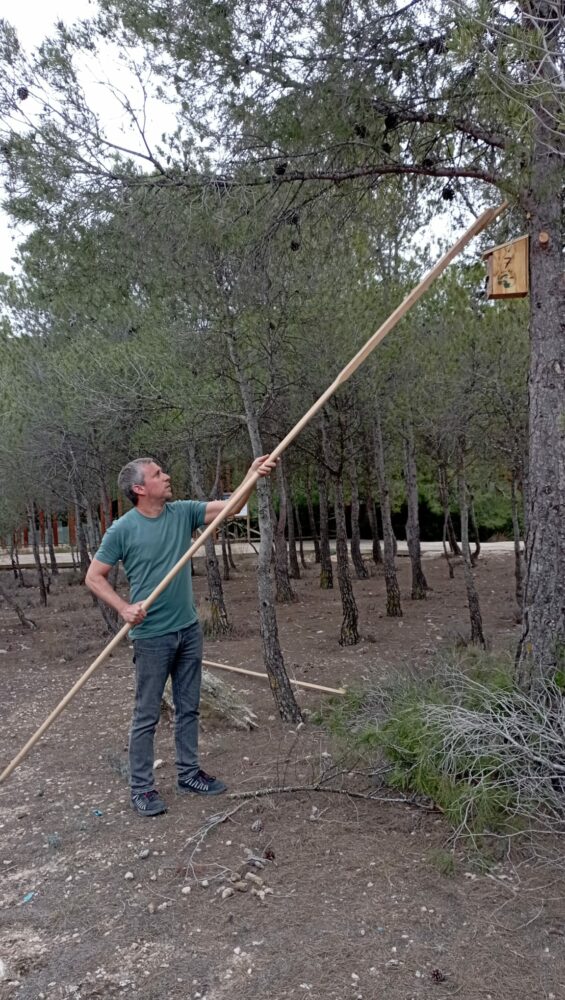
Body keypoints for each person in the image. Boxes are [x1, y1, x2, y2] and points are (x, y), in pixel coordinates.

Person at [85, 454, 277, 816]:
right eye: (158, 475)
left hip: (188, 629)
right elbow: (94, 577)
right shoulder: (123, 529)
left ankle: (188, 774)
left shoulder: (183, 512)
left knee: (188, 708)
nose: (167, 477)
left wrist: (252, 473)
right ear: (140, 489)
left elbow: (233, 507)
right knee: (146, 716)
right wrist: (124, 608)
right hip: (153, 636)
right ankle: (142, 789)